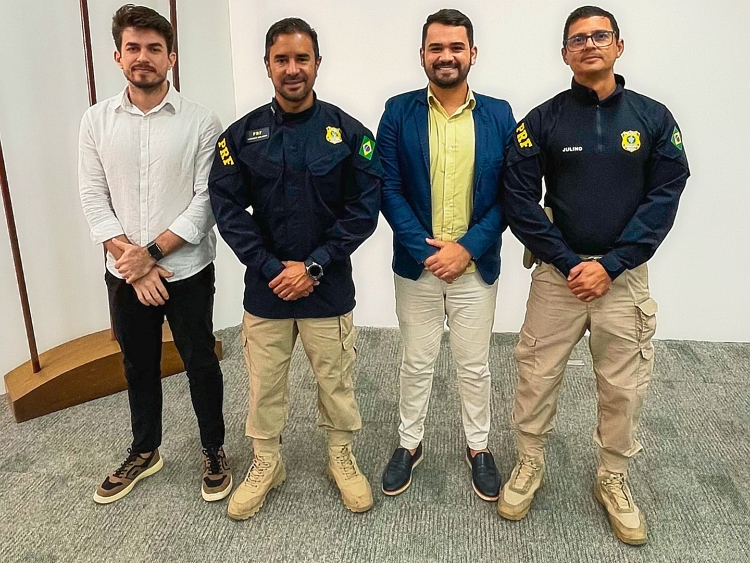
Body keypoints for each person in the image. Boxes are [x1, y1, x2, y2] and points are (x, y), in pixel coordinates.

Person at [498, 5, 690, 545]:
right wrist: (567, 261)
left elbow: (664, 195)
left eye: (599, 36)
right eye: (577, 39)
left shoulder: (653, 119)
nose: (589, 45)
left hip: (623, 280)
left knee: (624, 386)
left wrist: (611, 264)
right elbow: (518, 198)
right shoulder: (542, 121)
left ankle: (613, 476)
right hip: (557, 278)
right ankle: (529, 461)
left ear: (619, 46)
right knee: (536, 375)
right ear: (565, 54)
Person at [208, 17, 381, 520]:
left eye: (301, 58)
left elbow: (363, 210)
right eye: (281, 59)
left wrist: (315, 266)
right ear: (266, 65)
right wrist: (269, 266)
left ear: (317, 64)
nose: (292, 69)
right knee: (264, 382)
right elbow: (226, 208)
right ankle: (267, 461)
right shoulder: (241, 137)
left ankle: (340, 455)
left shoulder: (349, 134)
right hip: (267, 288)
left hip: (327, 286)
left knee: (335, 379)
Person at [78, 4, 230, 505]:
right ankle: (145, 449)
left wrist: (151, 254)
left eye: (154, 49)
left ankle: (213, 449)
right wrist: (133, 263)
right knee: (137, 363)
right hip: (124, 273)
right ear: (118, 56)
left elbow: (206, 200)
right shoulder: (95, 121)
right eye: (133, 48)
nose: (143, 57)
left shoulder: (202, 122)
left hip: (187, 269)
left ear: (171, 58)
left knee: (200, 361)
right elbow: (93, 196)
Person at [378, 9, 515, 501]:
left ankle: (479, 447)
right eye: (436, 48)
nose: (446, 56)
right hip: (418, 266)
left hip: (475, 266)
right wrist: (428, 252)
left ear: (472, 53)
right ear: (422, 55)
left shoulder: (499, 114)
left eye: (456, 47)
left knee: (474, 364)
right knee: (416, 360)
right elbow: (387, 188)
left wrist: (467, 249)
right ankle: (408, 443)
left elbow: (511, 193)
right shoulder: (398, 111)